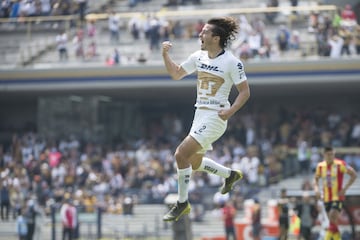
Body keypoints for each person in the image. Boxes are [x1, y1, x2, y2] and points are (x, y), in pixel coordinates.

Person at [161, 16, 250, 222]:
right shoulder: (198, 56)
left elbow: (245, 92)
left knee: (180, 155)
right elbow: (175, 74)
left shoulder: (232, 62)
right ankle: (229, 175)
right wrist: (165, 55)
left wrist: (231, 111)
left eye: (205, 32)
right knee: (193, 162)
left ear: (216, 38)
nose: (200, 34)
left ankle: (182, 203)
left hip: (216, 116)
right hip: (199, 114)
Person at [313, 146, 357, 240]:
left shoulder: (340, 164)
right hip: (326, 198)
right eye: (328, 154)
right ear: (324, 155)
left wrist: (345, 188)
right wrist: (316, 189)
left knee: (333, 216)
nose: (330, 156)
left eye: (332, 154)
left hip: (337, 197)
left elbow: (353, 174)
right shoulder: (320, 166)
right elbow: (316, 179)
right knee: (333, 223)